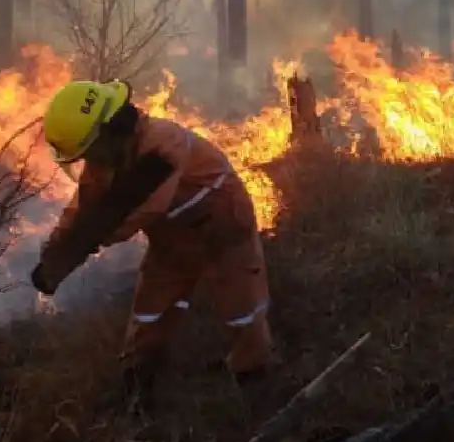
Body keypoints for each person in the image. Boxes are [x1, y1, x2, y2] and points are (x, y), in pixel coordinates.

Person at [30, 79, 275, 408]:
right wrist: (53, 258)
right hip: (172, 236)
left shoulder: (162, 145)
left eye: (90, 152)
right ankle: (138, 382)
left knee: (241, 306)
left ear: (111, 130)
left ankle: (254, 381)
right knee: (150, 308)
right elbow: (82, 210)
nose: (89, 161)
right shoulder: (109, 157)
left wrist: (73, 252)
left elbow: (131, 211)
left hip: (223, 225)